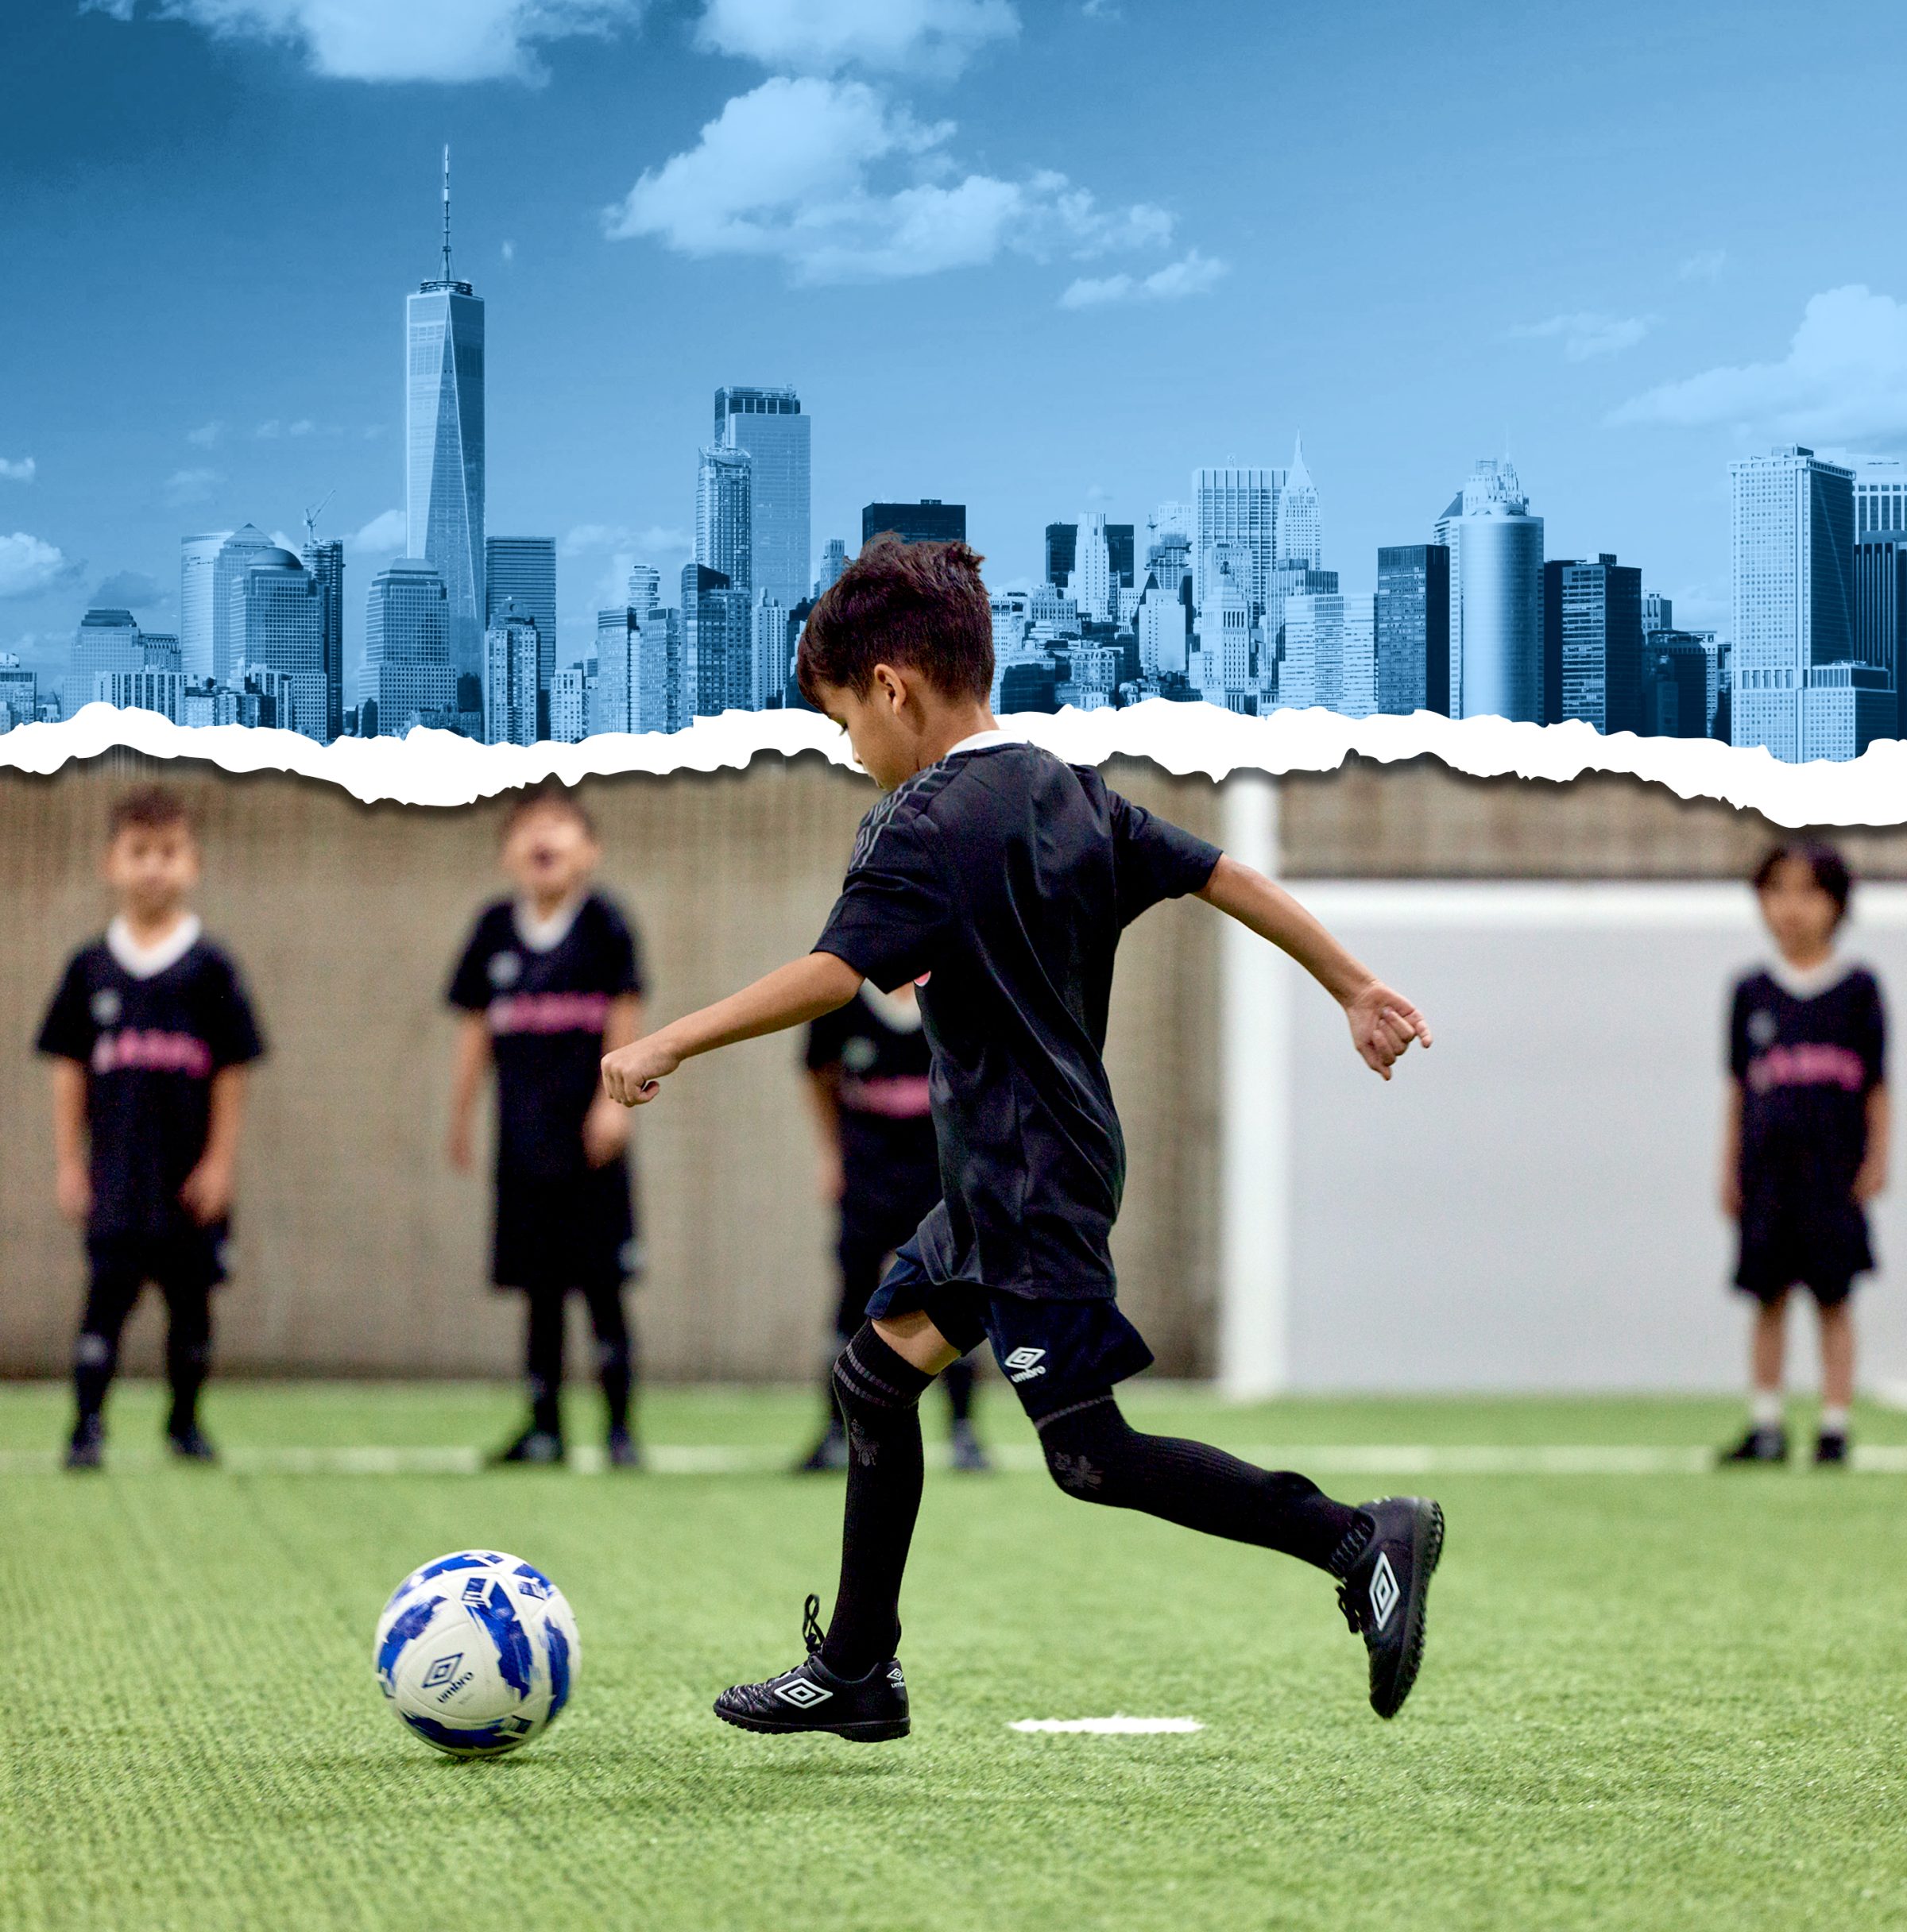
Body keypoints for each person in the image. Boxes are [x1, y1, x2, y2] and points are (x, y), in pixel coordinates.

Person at [601, 537, 1444, 1741]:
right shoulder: (1067, 788)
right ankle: (856, 1668)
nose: (852, 752)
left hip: (1024, 1176)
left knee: (1089, 1454)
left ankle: (1362, 1540)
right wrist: (1353, 985)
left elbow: (835, 978)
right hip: (1029, 1164)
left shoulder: (926, 821)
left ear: (893, 686)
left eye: (846, 722)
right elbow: (1221, 875)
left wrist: (670, 1041)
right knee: (876, 1377)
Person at [37, 785, 264, 1470]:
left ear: (192, 864)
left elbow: (231, 1069)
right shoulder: (90, 968)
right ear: (112, 862)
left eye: (169, 853)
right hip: (118, 1175)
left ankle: (185, 1423)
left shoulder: (210, 966)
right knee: (105, 1301)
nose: (153, 868)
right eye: (139, 852)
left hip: (188, 1176)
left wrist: (221, 1162)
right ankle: (86, 1426)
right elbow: (68, 1069)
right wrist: (70, 1162)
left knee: (191, 1307)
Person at [447, 785, 646, 1469]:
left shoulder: (605, 926)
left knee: (603, 1286)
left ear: (589, 850)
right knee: (539, 1288)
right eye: (529, 827)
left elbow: (627, 1012)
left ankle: (620, 1431)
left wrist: (610, 1106)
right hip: (523, 1142)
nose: (545, 838)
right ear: (507, 852)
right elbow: (475, 1028)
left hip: (589, 1143)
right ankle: (544, 1427)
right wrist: (462, 1114)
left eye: (561, 825)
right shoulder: (493, 932)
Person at [1718, 840, 1890, 1468]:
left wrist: (1877, 1160)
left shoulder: (1859, 990)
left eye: (1809, 892)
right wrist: (1727, 1167)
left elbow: (1878, 1085)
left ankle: (1835, 1425)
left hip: (1834, 1175)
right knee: (1767, 1296)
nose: (1791, 908)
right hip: (1766, 1175)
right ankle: (1766, 1422)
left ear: (1837, 905)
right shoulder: (1750, 992)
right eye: (1777, 891)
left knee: (1835, 1298)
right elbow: (1737, 1088)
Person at [796, 982, 988, 1474]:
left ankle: (964, 1430)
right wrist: (829, 1155)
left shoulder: (956, 989)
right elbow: (817, 1072)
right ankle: (838, 1430)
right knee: (854, 1292)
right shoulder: (842, 992)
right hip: (867, 1170)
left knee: (953, 1293)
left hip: (939, 1172)